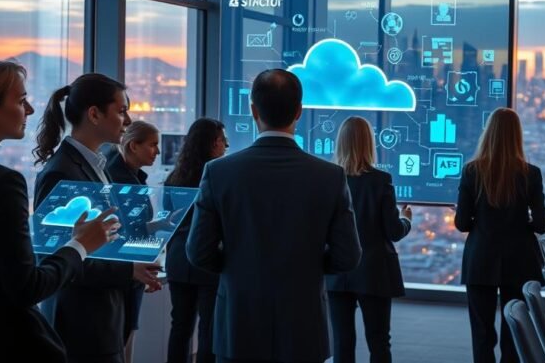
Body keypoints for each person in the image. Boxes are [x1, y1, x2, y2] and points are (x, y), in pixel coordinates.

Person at [0, 56, 119, 363]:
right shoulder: (3, 183)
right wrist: (80, 245)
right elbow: (27, 288)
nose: (29, 110)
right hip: (6, 343)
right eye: (21, 100)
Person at [187, 69, 361, 363]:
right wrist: (308, 268)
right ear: (299, 111)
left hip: (238, 324)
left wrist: (237, 266)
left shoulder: (219, 173)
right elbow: (348, 255)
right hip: (304, 327)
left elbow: (198, 252)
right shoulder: (329, 176)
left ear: (253, 110)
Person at [33, 73, 163, 363]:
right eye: (121, 111)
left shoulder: (95, 166)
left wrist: (134, 266)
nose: (128, 121)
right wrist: (128, 270)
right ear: (94, 114)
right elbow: (57, 259)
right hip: (81, 327)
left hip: (99, 320)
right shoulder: (62, 171)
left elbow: (97, 245)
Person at [455, 108, 545, 363]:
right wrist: (522, 224)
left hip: (480, 258)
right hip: (520, 260)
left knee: (482, 331)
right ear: (517, 136)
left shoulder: (472, 171)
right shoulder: (531, 173)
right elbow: (541, 225)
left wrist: (480, 219)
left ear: (488, 133)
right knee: (515, 330)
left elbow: (462, 223)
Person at [326, 117, 412, 363]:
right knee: (379, 340)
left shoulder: (328, 178)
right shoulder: (380, 180)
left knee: (342, 341)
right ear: (369, 143)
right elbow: (394, 231)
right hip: (374, 272)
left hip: (336, 271)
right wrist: (406, 219)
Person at [164, 118, 228, 363]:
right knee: (208, 328)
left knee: (179, 326)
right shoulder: (218, 177)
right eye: (223, 141)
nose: (226, 146)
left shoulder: (174, 177)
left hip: (178, 261)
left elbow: (168, 221)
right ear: (213, 144)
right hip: (207, 260)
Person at [105, 120, 161, 363]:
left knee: (127, 338)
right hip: (121, 273)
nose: (157, 152)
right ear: (133, 146)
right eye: (152, 145)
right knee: (121, 340)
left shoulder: (134, 177)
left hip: (133, 271)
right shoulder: (115, 179)